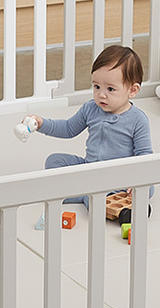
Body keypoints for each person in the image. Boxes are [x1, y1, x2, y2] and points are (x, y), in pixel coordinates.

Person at [26, 44, 153, 229]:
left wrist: (137, 181)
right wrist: (42, 123)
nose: (101, 95)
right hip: (90, 167)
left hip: (119, 176)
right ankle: (83, 192)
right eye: (96, 86)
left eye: (110, 89)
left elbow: (144, 154)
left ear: (132, 90)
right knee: (54, 160)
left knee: (148, 186)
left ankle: (105, 203)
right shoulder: (90, 109)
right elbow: (68, 128)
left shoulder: (138, 119)